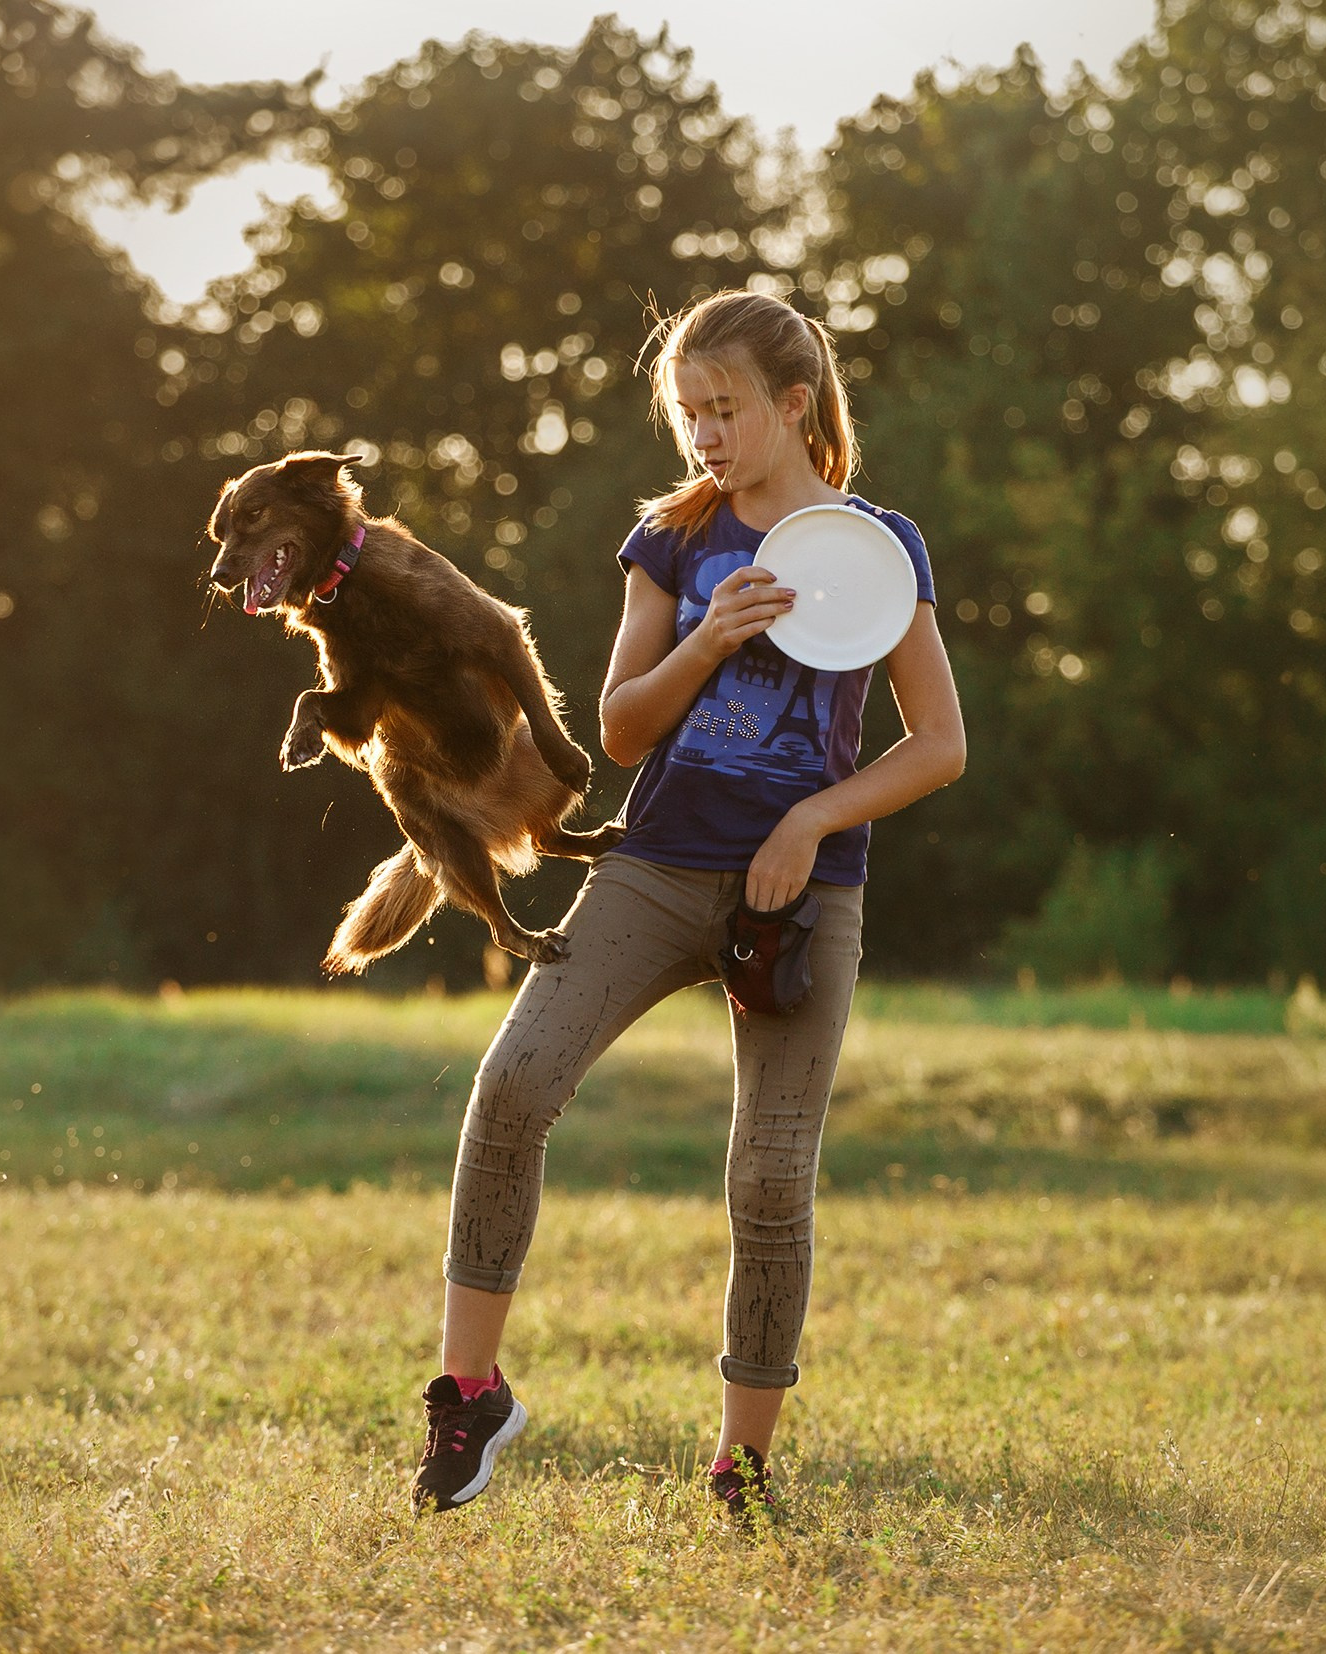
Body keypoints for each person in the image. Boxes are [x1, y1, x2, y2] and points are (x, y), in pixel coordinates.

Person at [411, 287, 966, 1522]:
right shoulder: (672, 537)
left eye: (724, 411)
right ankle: (468, 1390)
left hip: (799, 892)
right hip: (654, 866)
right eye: (687, 414)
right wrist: (707, 639)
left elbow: (938, 745)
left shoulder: (880, 548)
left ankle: (740, 1466)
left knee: (770, 1180)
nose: (705, 436)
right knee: (511, 1084)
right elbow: (615, 731)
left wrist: (809, 822)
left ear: (793, 405)